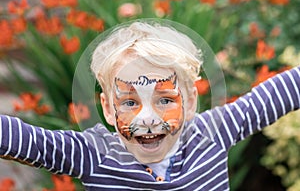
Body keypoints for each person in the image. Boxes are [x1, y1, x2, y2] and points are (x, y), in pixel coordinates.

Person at [0, 20, 299, 190]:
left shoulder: (211, 134)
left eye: (165, 100)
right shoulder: (95, 154)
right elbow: (34, 143)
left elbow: (270, 98)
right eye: (129, 102)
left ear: (191, 100)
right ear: (107, 108)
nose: (147, 119)